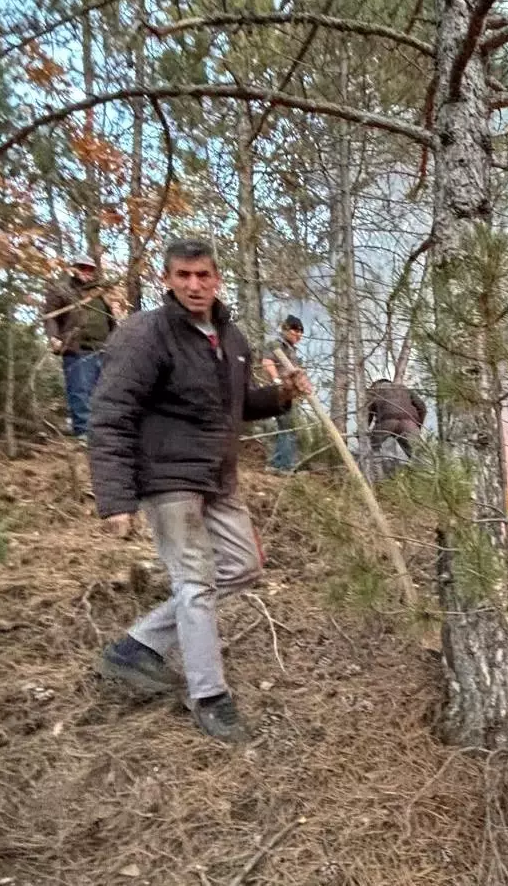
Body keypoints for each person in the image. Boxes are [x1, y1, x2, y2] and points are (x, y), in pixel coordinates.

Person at [87, 238, 312, 742]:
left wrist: (281, 395)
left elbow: (234, 407)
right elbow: (110, 413)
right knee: (194, 584)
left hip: (218, 476)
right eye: (183, 276)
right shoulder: (146, 334)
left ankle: (136, 646)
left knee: (243, 567)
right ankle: (209, 697)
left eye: (203, 276)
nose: (194, 285)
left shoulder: (230, 338)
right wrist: (116, 497)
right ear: (167, 279)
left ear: (217, 279)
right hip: (167, 478)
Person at [43, 255, 114, 440]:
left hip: (103, 349)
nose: (87, 273)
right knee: (80, 390)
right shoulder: (62, 290)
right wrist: (53, 337)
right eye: (83, 268)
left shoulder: (99, 293)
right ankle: (83, 432)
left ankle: (101, 431)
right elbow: (50, 316)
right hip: (77, 349)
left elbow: (110, 320)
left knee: (104, 392)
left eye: (90, 269)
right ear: (74, 269)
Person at [260, 315, 304, 473]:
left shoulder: (291, 349)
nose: (298, 334)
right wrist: (277, 380)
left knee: (289, 427)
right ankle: (279, 465)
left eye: (301, 332)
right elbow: (267, 361)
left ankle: (286, 463)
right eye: (295, 330)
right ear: (286, 329)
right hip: (278, 392)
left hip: (289, 394)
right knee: (285, 426)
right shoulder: (277, 344)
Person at [366, 378, 427, 465]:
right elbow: (422, 407)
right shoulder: (404, 388)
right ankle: (421, 475)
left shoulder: (375, 391)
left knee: (372, 448)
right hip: (409, 423)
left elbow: (367, 413)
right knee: (419, 454)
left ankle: (376, 472)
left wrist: (365, 430)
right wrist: (418, 425)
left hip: (386, 423)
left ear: (375, 385)